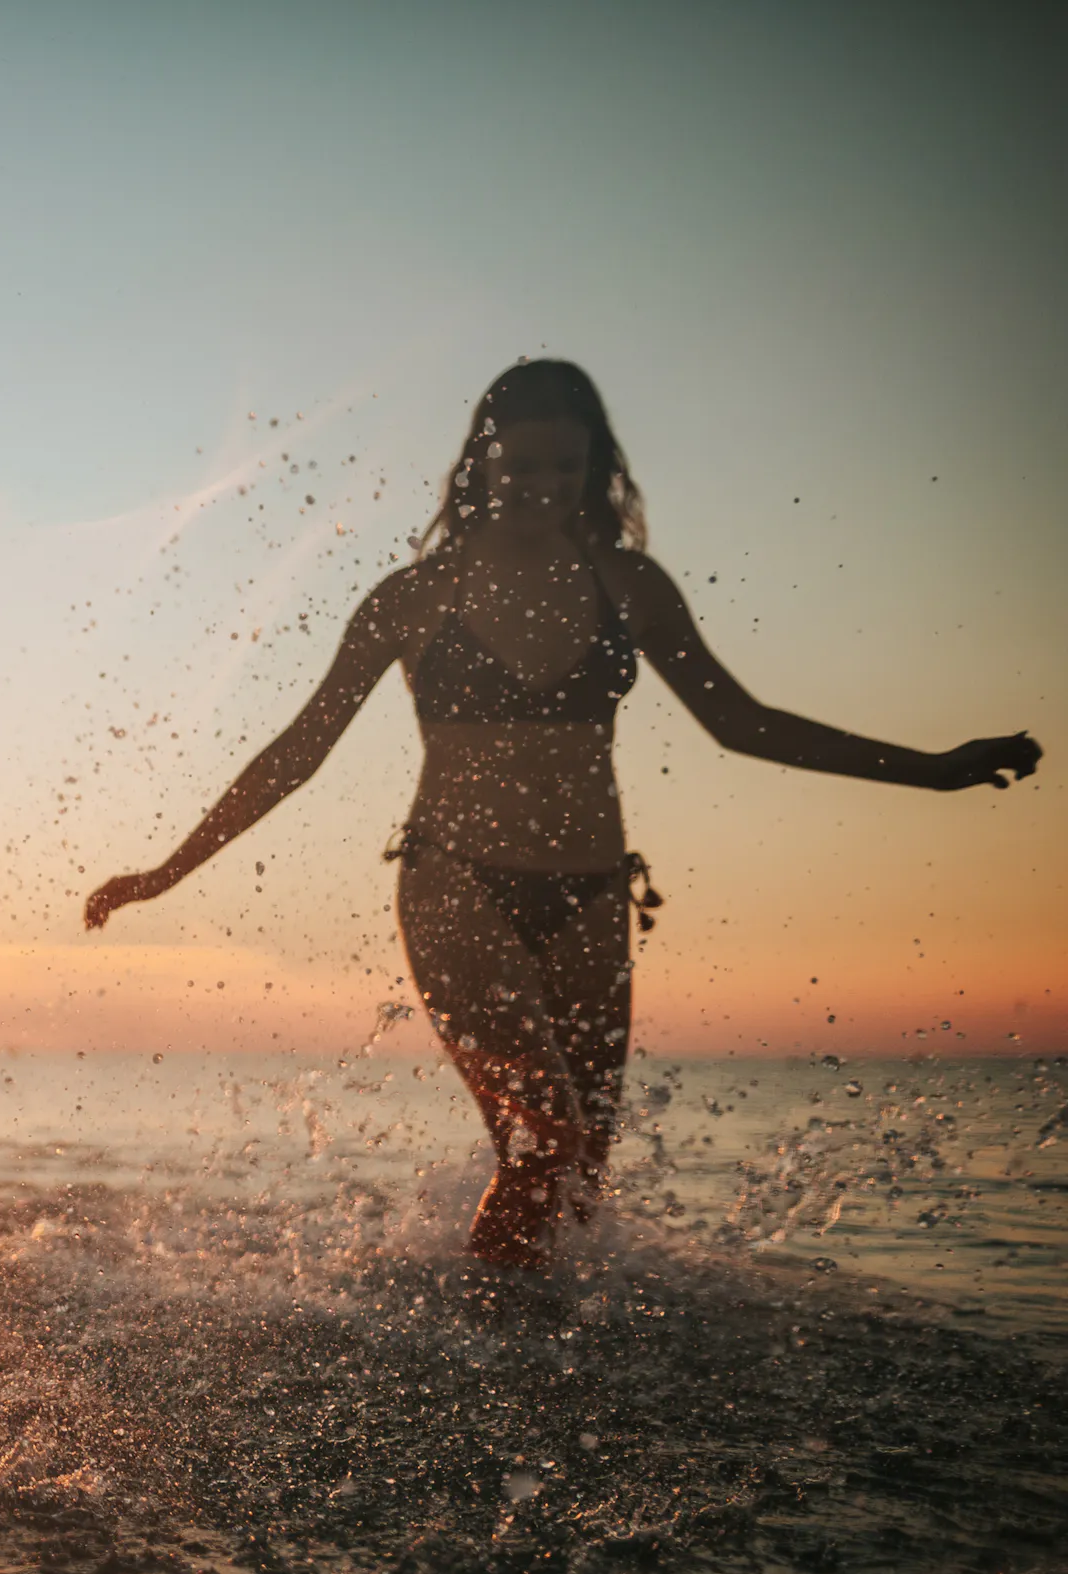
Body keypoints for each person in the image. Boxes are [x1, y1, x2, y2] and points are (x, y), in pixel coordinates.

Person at [81, 360, 1039, 1271]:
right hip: (455, 885)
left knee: (580, 1175)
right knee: (546, 1145)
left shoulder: (630, 586)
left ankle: (526, 1371)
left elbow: (739, 724)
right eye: (522, 463)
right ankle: (466, 1358)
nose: (542, 483)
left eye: (564, 465)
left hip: (590, 893)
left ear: (596, 470)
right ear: (481, 464)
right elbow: (298, 751)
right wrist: (164, 873)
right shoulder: (414, 597)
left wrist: (935, 771)